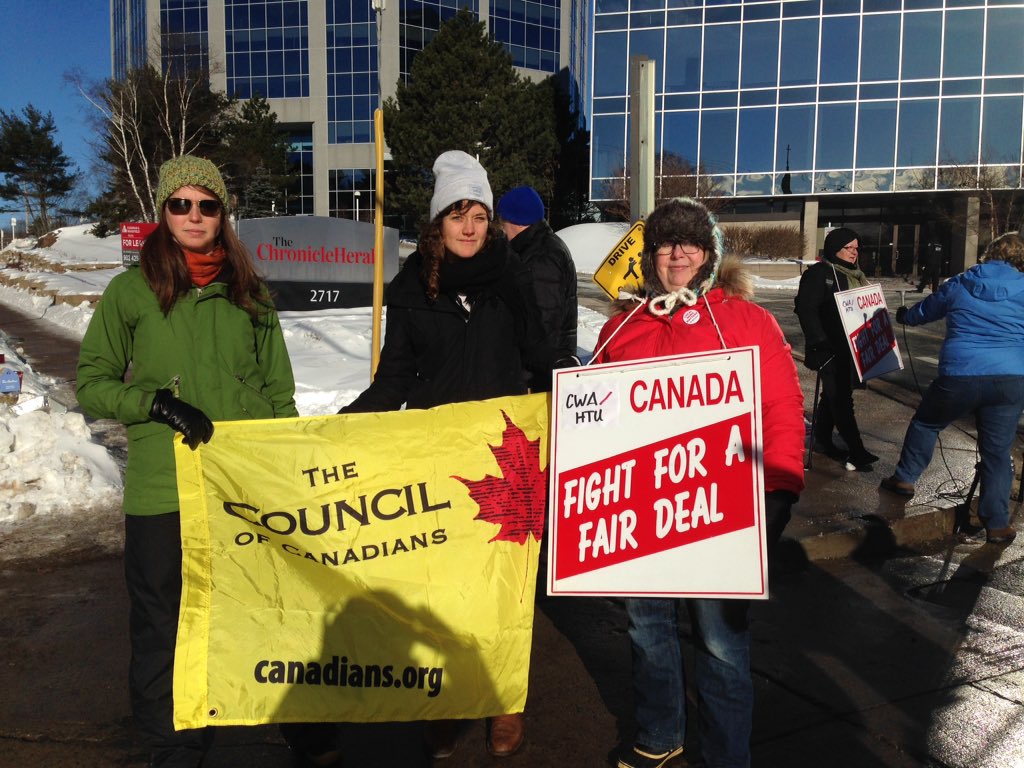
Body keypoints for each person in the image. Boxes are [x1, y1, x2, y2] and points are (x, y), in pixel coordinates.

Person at [75, 156, 336, 767]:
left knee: (263, 609)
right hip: (164, 491)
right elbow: (92, 382)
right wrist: (154, 403)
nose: (194, 216)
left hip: (242, 488)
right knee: (163, 627)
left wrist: (284, 469)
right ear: (163, 213)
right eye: (181, 204)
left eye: (207, 205)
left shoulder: (251, 292)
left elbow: (279, 396)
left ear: (224, 214)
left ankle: (297, 723)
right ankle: (173, 747)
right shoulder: (131, 290)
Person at [340, 150, 550, 759]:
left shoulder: (511, 279)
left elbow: (542, 357)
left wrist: (516, 291)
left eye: (479, 214)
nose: (469, 226)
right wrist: (346, 427)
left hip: (507, 461)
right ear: (437, 222)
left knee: (505, 591)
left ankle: (505, 699)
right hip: (438, 462)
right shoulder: (411, 290)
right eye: (457, 213)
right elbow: (395, 378)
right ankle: (447, 699)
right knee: (443, 589)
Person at [593, 197, 805, 768]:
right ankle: (660, 734)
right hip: (643, 511)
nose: (676, 254)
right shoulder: (621, 329)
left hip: (726, 510)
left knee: (721, 641)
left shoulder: (747, 322)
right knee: (646, 627)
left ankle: (726, 755)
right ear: (650, 257)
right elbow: (594, 422)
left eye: (689, 243)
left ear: (708, 255)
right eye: (664, 243)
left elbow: (781, 406)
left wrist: (780, 488)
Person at [881, 232, 1024, 544]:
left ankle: (905, 479)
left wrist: (906, 315)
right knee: (997, 451)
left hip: (960, 374)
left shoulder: (961, 282)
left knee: (927, 422)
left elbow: (925, 311)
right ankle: (996, 524)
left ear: (990, 253)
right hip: (1010, 378)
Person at [794, 227, 879, 471]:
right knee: (841, 398)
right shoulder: (820, 274)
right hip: (829, 349)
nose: (854, 252)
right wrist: (818, 342)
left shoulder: (856, 275)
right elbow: (807, 310)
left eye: (856, 248)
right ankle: (856, 450)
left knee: (833, 396)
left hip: (852, 348)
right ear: (834, 249)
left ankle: (822, 440)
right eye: (848, 248)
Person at [496, 185, 580, 373]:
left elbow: (542, 326)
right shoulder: (539, 247)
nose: (502, 229)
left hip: (539, 373)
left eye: (503, 222)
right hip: (542, 367)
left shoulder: (541, 257)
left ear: (515, 221)